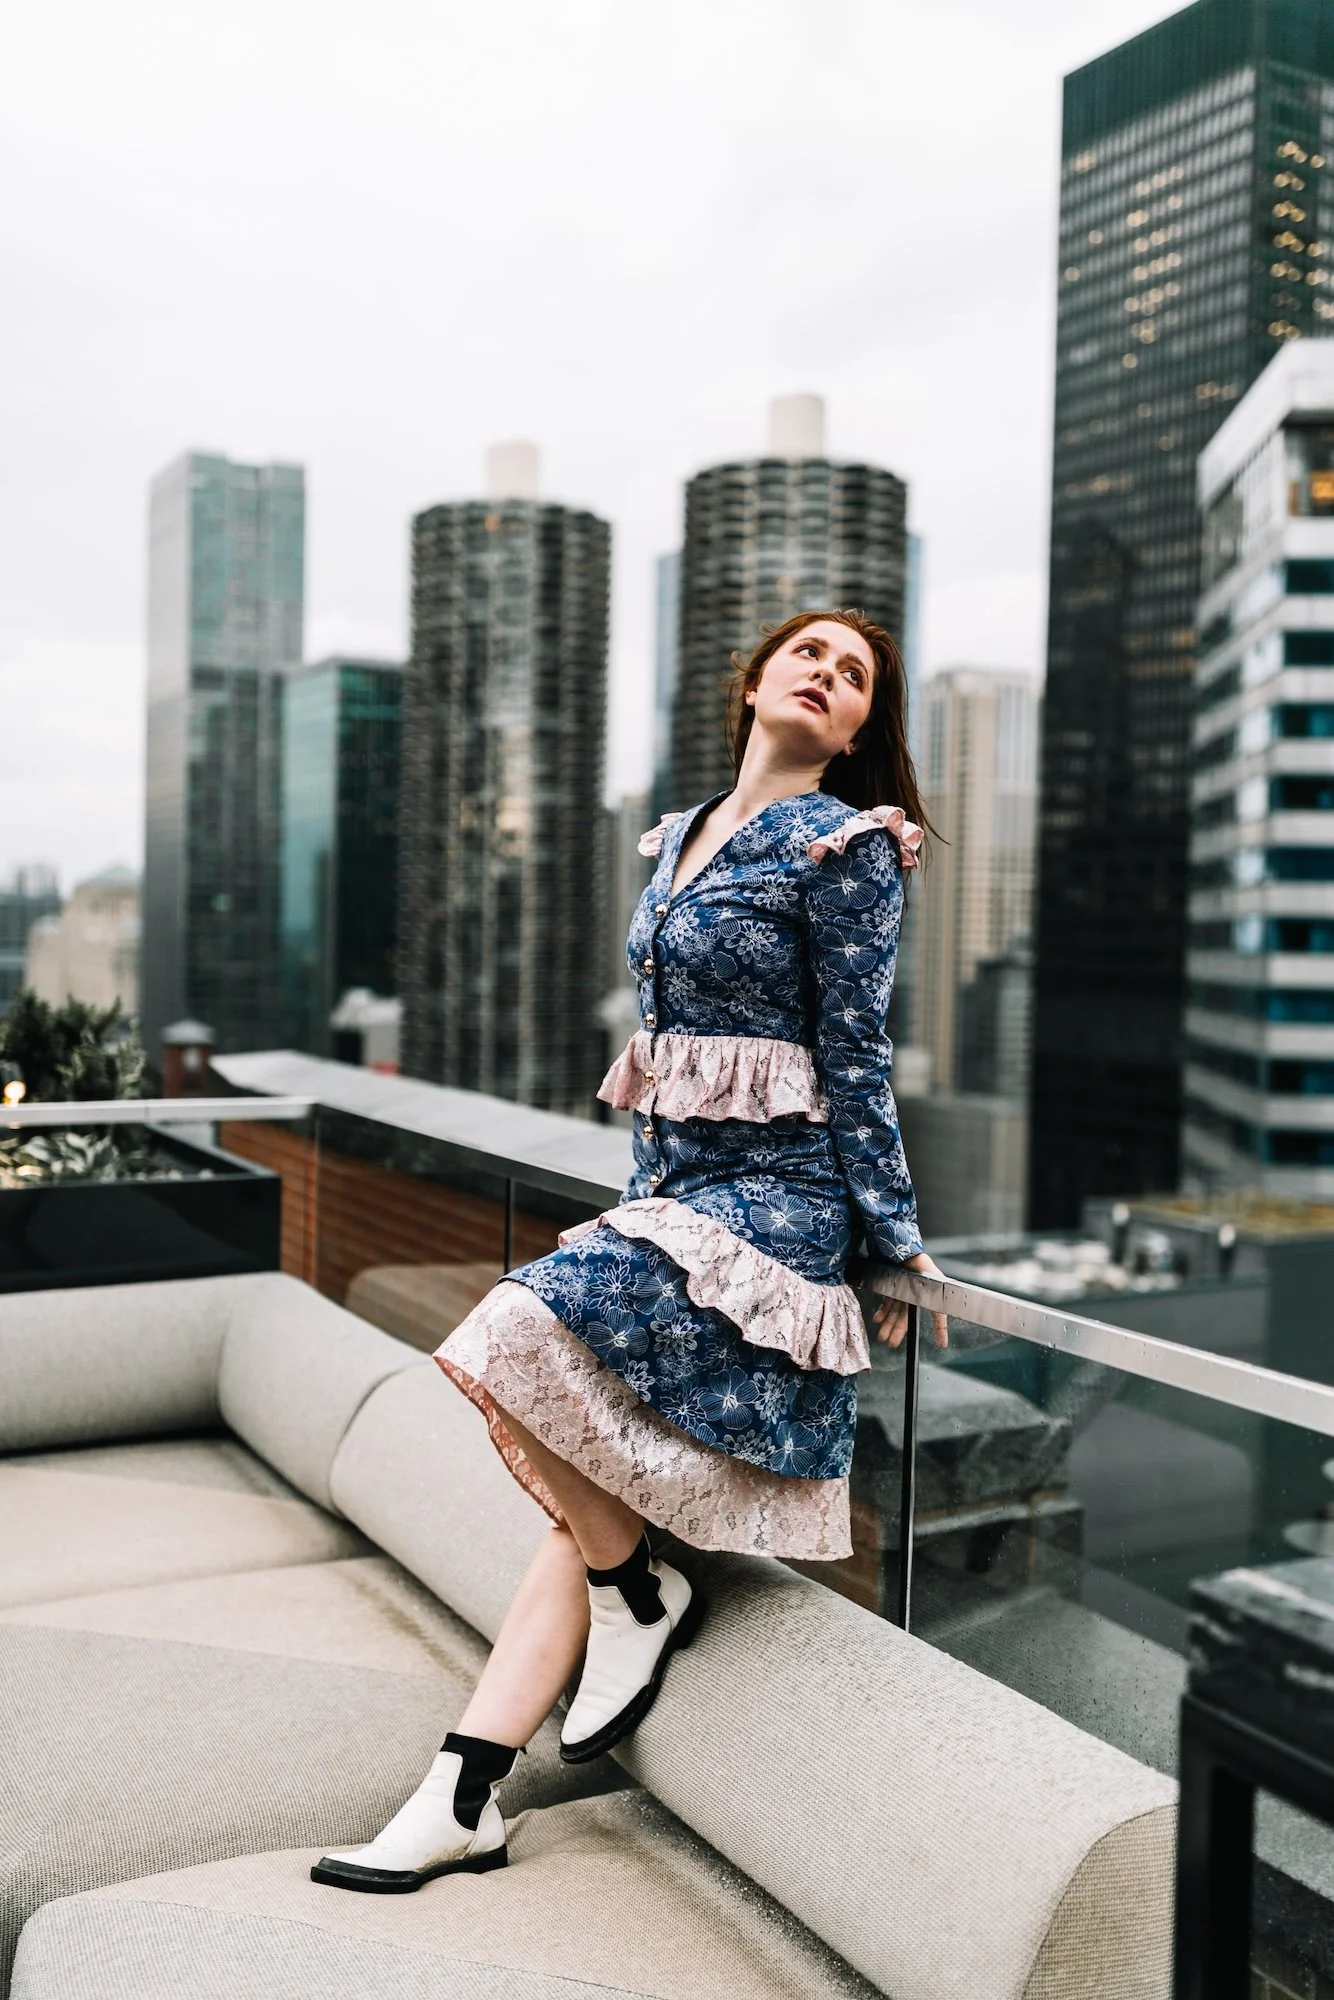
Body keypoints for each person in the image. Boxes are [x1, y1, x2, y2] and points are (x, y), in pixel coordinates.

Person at [312, 608, 947, 1894]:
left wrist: (894, 1239)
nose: (825, 676)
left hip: (778, 1204)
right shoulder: (678, 834)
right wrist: (640, 1202)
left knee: (509, 1328)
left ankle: (630, 1599)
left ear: (861, 726)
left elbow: (855, 1054)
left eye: (855, 677)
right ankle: (464, 1789)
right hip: (676, 1187)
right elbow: (661, 1059)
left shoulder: (850, 848)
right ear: (754, 677)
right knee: (586, 1487)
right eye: (807, 655)